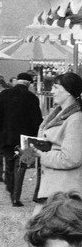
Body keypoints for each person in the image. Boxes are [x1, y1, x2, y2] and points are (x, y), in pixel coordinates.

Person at [30, 73, 82, 214]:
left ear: (69, 91)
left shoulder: (76, 119)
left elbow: (71, 158)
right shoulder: (60, 114)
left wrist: (41, 155)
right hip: (54, 189)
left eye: (56, 87)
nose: (52, 91)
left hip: (65, 193)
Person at [0, 72, 43, 207]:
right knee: (22, 167)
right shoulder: (32, 98)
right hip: (26, 140)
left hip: (7, 137)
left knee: (9, 164)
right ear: (29, 84)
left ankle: (10, 189)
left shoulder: (4, 95)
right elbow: (37, 121)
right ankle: (16, 197)